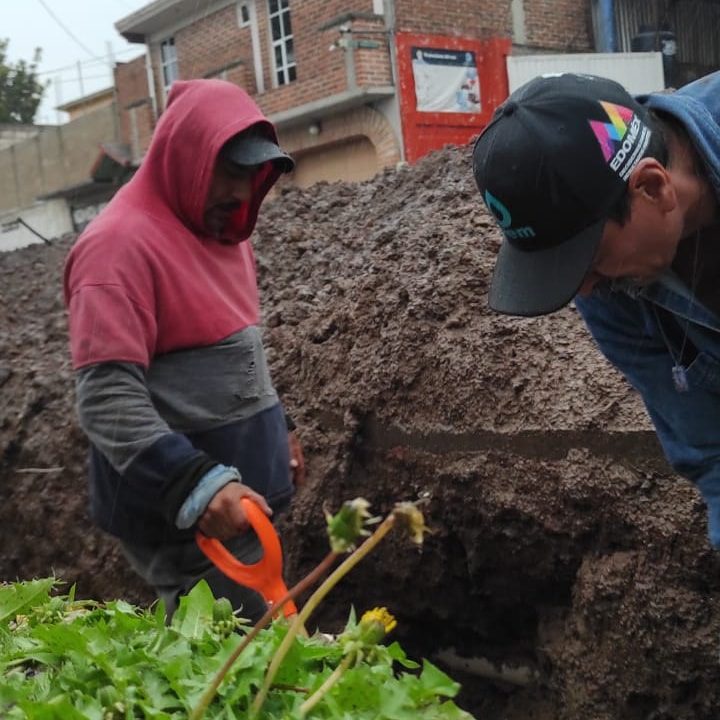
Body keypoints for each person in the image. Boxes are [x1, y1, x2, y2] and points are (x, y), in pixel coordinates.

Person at [63, 78, 305, 622]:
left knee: (262, 648)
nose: (243, 192)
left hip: (238, 510)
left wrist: (278, 426)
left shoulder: (218, 232)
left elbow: (235, 353)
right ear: (186, 157)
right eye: (231, 170)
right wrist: (197, 484)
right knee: (234, 660)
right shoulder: (117, 248)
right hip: (188, 520)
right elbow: (106, 397)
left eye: (253, 175)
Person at [472, 71, 720, 548]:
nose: (583, 291)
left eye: (589, 260)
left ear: (653, 187)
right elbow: (711, 449)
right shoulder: (612, 291)